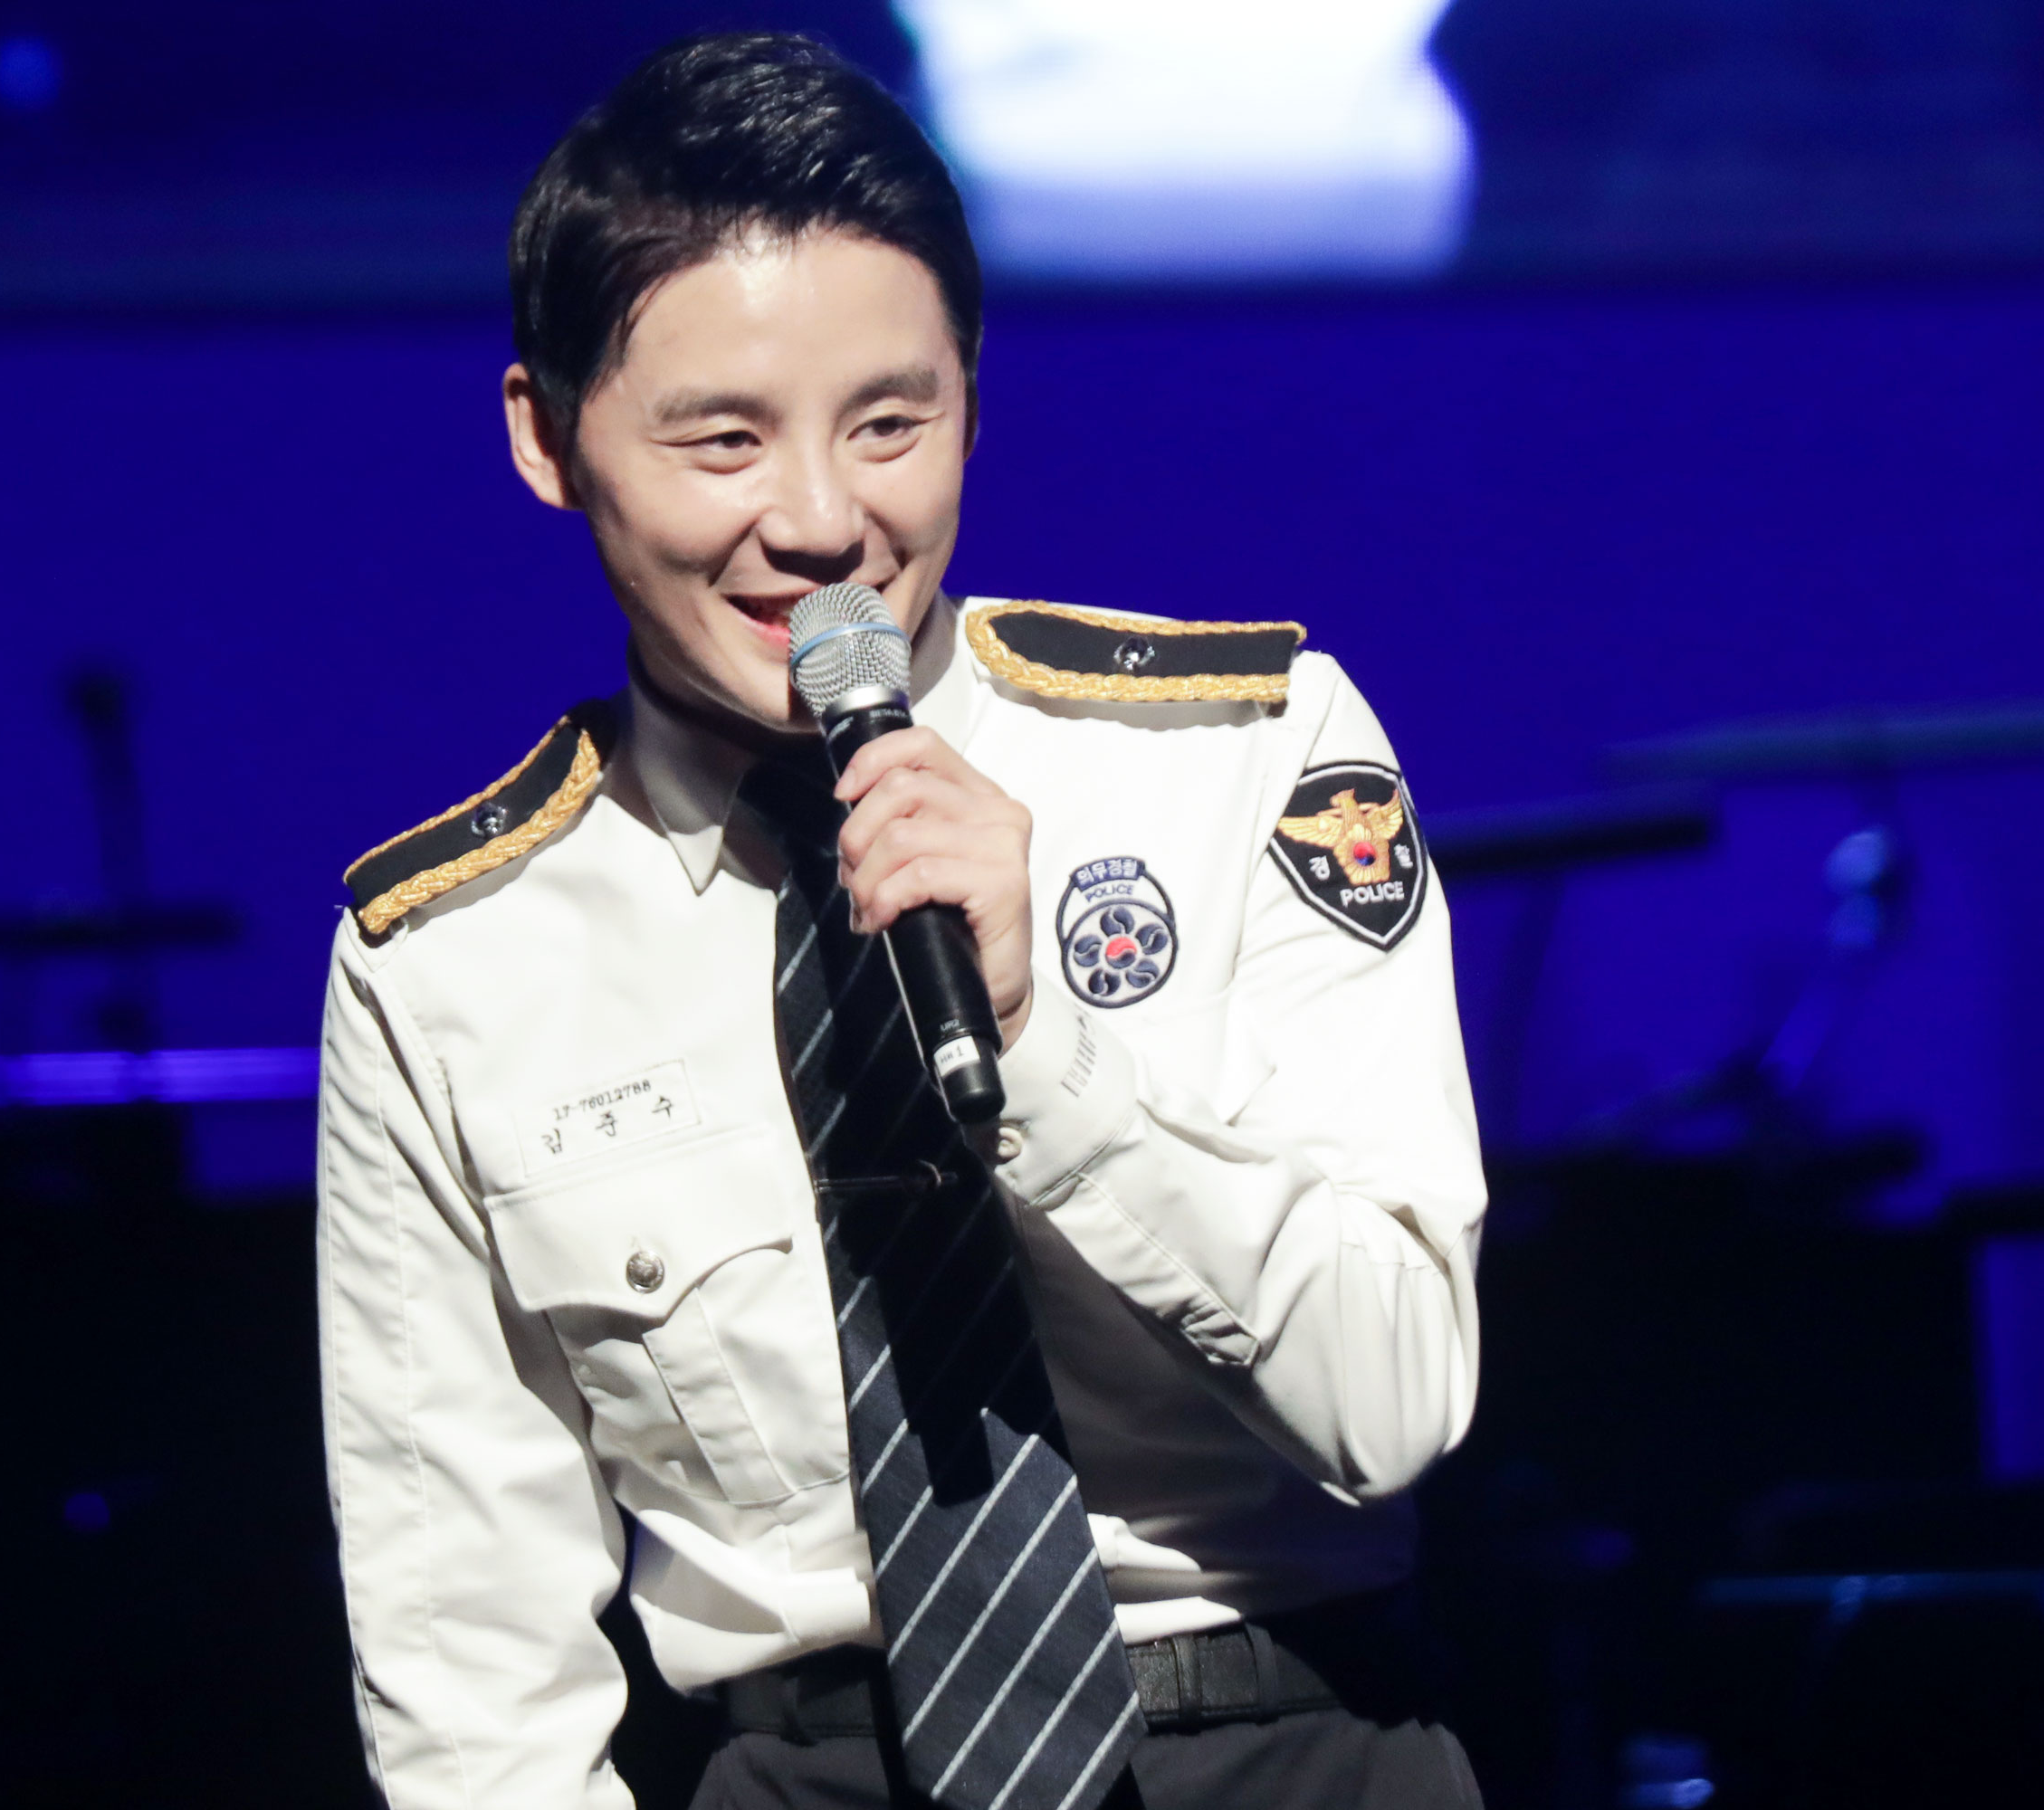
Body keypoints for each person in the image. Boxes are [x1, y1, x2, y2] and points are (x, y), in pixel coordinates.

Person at [316, 32, 1485, 1810]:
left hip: (1291, 1739)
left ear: (973, 402)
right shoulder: (460, 953)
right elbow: (472, 1675)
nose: (821, 523)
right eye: (724, 440)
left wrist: (1042, 1052)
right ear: (546, 439)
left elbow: (1395, 1400)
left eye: (890, 425)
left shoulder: (1244, 755)